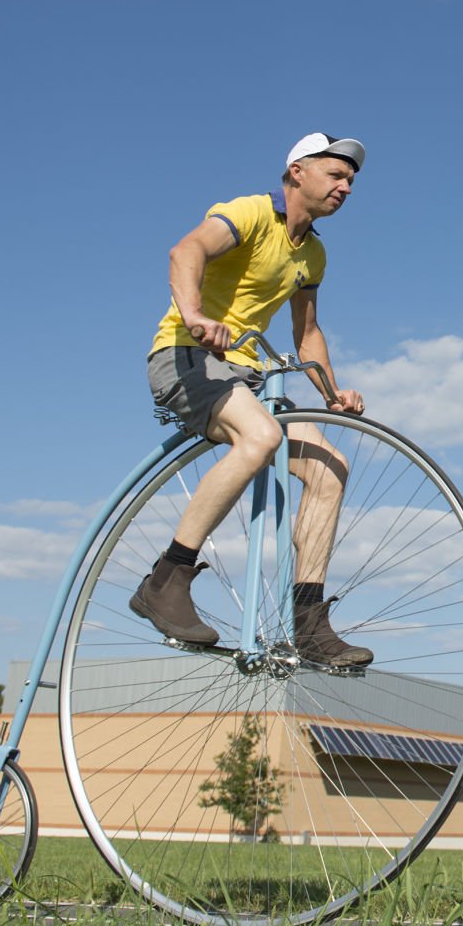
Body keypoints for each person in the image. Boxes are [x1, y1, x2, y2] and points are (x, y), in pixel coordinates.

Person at [133, 131, 374, 668]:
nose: (346, 187)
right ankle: (166, 579)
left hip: (250, 374)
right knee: (261, 436)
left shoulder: (313, 253)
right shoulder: (249, 213)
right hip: (188, 354)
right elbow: (186, 250)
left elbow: (307, 333)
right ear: (297, 173)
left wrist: (334, 395)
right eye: (336, 175)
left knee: (330, 469)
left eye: (351, 181)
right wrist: (195, 316)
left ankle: (308, 621)